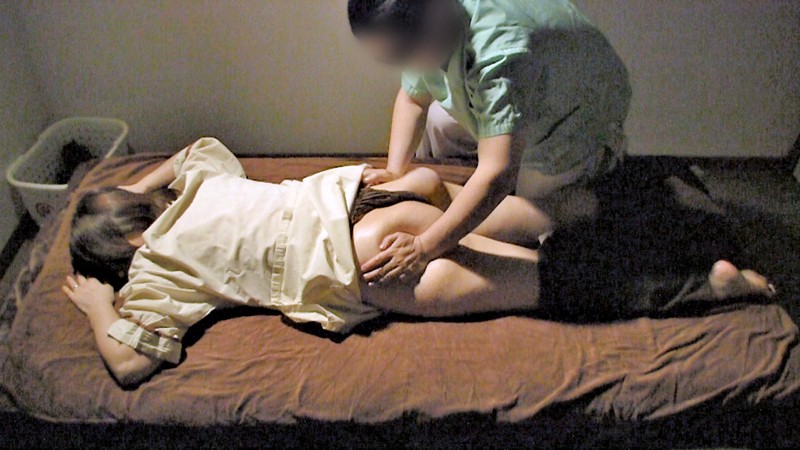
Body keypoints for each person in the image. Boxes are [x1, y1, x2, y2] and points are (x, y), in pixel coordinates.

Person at [64, 138, 775, 387]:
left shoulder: (156, 270)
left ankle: (709, 283)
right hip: (372, 198)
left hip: (364, 259)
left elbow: (130, 364)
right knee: (542, 220)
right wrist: (137, 191)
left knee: (547, 283)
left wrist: (101, 306)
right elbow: (190, 151)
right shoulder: (199, 184)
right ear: (141, 204)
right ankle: (671, 213)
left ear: (128, 251)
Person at [347, 0, 632, 283]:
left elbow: (498, 173)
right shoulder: (427, 29)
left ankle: (597, 199)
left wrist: (424, 247)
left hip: (574, 110)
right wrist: (395, 171)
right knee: (439, 123)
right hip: (525, 77)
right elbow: (413, 100)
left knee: (535, 224)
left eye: (403, 54)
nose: (401, 64)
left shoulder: (499, 52)